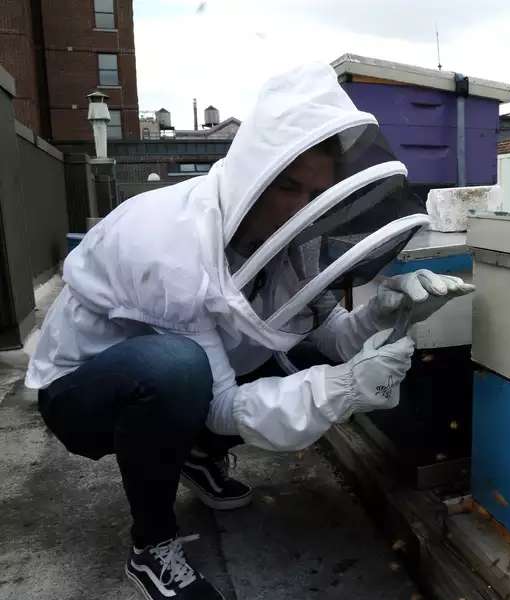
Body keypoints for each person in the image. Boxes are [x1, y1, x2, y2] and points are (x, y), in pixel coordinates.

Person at [25, 63, 473, 600]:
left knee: (280, 356)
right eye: (289, 187)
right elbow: (218, 402)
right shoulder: (174, 245)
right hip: (84, 395)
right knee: (178, 371)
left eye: (317, 192)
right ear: (257, 173)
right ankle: (152, 546)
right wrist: (346, 387)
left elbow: (324, 338)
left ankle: (196, 456)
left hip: (180, 374)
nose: (303, 206)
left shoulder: (287, 241)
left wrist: (385, 314)